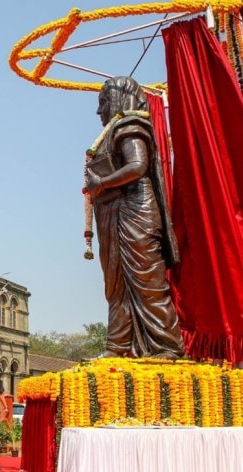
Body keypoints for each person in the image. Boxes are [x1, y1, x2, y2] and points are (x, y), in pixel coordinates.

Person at [84, 76, 184, 359]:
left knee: (146, 281)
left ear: (118, 98)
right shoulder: (112, 131)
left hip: (136, 212)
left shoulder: (130, 126)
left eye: (103, 102)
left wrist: (103, 183)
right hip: (116, 215)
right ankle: (118, 346)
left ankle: (167, 346)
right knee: (117, 284)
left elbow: (138, 165)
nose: (99, 110)